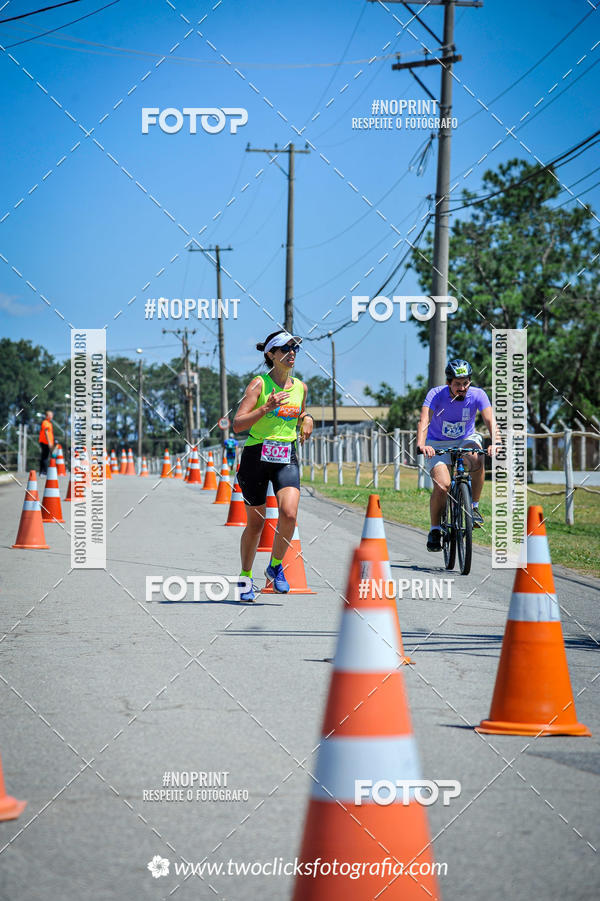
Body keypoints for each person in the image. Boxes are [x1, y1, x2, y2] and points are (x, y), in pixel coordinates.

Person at [233, 330, 314, 601]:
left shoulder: (300, 387)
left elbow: (299, 411)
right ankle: (245, 577)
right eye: (284, 349)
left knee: (289, 513)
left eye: (294, 349)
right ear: (271, 355)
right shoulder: (259, 385)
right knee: (255, 524)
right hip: (256, 455)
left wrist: (308, 417)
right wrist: (265, 409)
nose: (291, 353)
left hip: (285, 456)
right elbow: (238, 424)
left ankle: (275, 566)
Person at [416, 359, 501, 552]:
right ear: (448, 383)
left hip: (466, 439)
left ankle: (474, 506)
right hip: (437, 443)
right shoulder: (435, 395)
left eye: (465, 383)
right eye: (457, 384)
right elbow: (423, 421)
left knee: (477, 458)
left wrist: (496, 443)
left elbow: (490, 421)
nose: (462, 388)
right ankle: (435, 529)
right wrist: (421, 445)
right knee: (443, 485)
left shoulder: (478, 395)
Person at [38, 409, 54, 475]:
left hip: (47, 442)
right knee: (45, 457)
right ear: (47, 416)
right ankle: (44, 471)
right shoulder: (45, 422)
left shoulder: (49, 423)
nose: (52, 416)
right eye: (50, 415)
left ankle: (42, 471)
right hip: (45, 442)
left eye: (52, 415)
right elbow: (46, 432)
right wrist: (49, 442)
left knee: (44, 456)